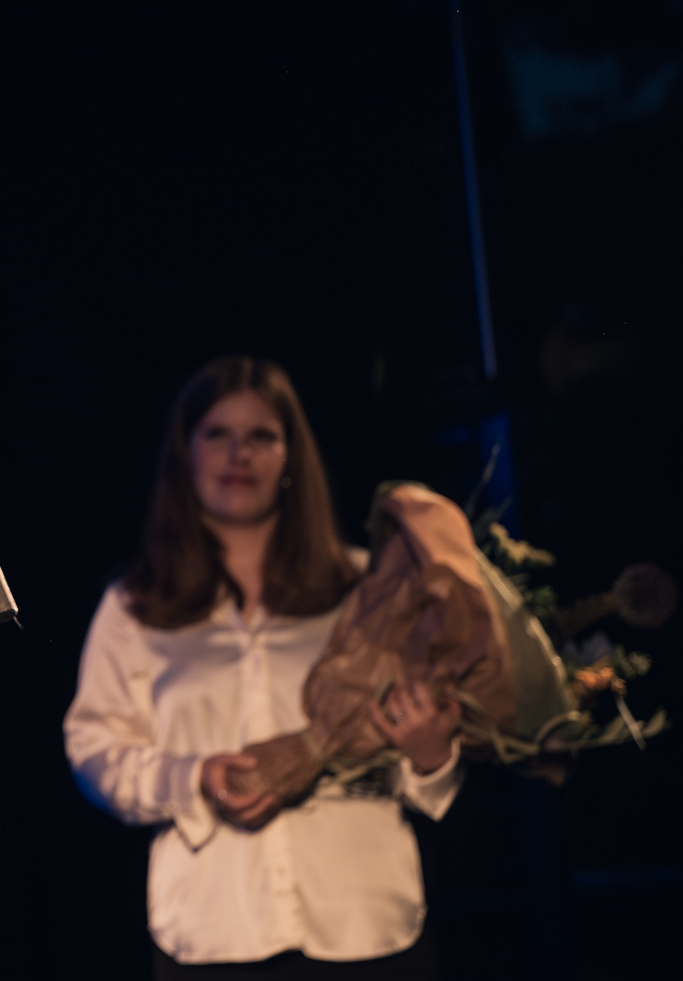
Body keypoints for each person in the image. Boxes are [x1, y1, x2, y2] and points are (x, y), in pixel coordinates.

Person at [65, 356, 464, 979]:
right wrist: (194, 778)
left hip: (363, 922)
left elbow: (426, 759)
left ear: (290, 457)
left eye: (261, 436)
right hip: (213, 929)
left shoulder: (367, 588)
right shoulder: (135, 605)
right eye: (217, 434)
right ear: (185, 454)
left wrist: (433, 752)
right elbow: (94, 747)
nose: (239, 455)